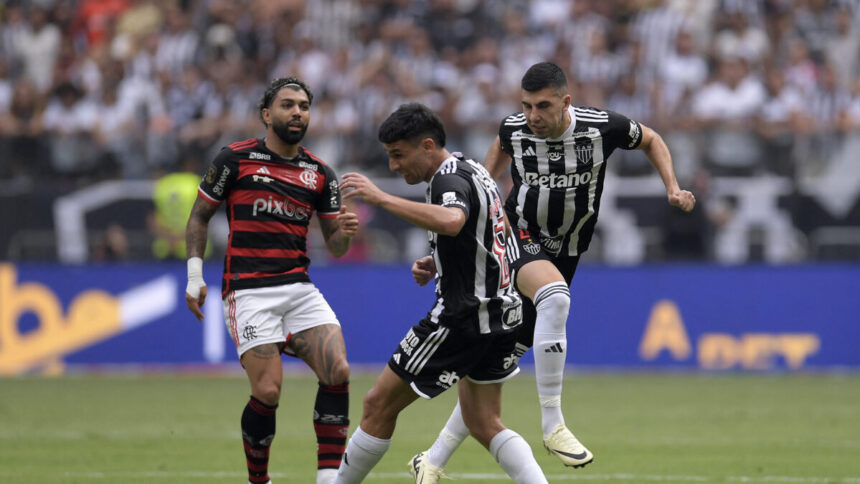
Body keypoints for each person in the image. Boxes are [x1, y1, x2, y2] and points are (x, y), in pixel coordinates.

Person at [412, 61, 696, 479]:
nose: (533, 116)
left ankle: (431, 460)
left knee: (495, 367)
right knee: (556, 297)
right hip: (515, 236)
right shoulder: (514, 129)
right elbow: (487, 175)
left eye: (542, 106)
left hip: (566, 251)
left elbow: (651, 138)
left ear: (566, 102)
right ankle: (553, 425)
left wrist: (671, 186)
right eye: (526, 106)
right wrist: (460, 228)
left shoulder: (602, 128)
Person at [332, 103, 547, 484]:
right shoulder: (475, 170)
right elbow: (494, 234)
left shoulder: (447, 181)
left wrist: (380, 198)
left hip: (462, 318)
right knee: (484, 422)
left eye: (399, 155)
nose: (395, 166)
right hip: (503, 316)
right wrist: (439, 260)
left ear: (427, 145)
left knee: (377, 405)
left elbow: (453, 220)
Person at [184, 77, 359, 484]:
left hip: (299, 288)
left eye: (303, 106)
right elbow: (199, 217)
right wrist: (195, 275)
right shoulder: (234, 159)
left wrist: (345, 232)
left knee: (338, 369)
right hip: (248, 290)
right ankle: (258, 481)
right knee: (268, 392)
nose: (297, 112)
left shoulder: (320, 174)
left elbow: (335, 246)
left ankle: (329, 479)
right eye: (287, 105)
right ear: (267, 114)